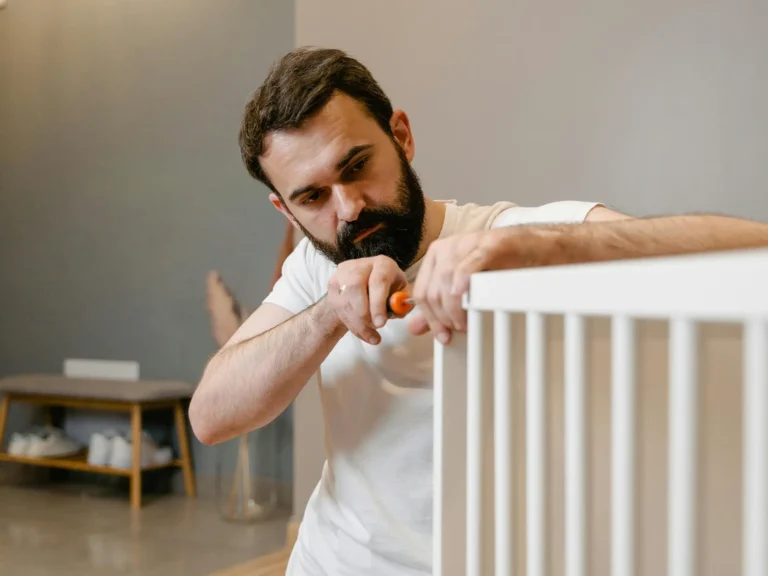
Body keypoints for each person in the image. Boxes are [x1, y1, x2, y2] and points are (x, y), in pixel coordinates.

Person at [189, 47, 768, 576]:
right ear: (286, 211)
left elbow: (752, 244)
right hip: (328, 561)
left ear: (402, 137)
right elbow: (211, 416)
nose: (349, 208)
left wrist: (545, 246)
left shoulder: (507, 237)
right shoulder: (318, 267)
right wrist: (327, 315)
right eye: (311, 197)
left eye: (357, 165)